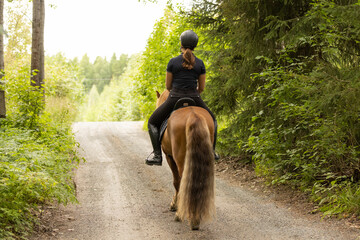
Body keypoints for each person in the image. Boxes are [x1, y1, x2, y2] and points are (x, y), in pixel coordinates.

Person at [145, 30, 218, 166]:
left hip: (174, 97)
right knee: (213, 120)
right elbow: (201, 88)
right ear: (195, 45)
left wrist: (177, 92)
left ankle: (157, 155)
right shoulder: (200, 63)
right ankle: (212, 152)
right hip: (195, 97)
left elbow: (168, 86)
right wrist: (192, 93)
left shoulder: (173, 62)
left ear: (181, 44)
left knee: (153, 122)